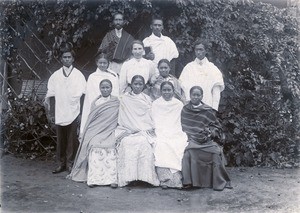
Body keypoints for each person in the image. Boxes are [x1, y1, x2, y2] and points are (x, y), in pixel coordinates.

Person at [68, 79, 120, 188]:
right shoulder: (96, 102)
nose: (105, 90)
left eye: (107, 87)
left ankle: (111, 179)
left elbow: (116, 118)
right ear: (99, 89)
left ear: (111, 89)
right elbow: (91, 120)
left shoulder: (116, 102)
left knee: (110, 145)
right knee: (93, 144)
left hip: (109, 130)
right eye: (103, 88)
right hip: (95, 131)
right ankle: (93, 179)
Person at [44, 44, 86, 174]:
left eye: (69, 57)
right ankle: (60, 163)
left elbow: (83, 96)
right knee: (61, 139)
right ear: (61, 59)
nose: (67, 59)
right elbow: (51, 95)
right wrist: (52, 113)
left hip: (74, 111)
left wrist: (80, 114)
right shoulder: (56, 76)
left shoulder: (78, 75)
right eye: (64, 57)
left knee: (72, 139)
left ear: (73, 59)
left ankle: (70, 163)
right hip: (60, 111)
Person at [181, 86, 232, 191]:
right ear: (189, 96)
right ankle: (191, 182)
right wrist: (190, 135)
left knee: (215, 152)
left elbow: (217, 127)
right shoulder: (185, 109)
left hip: (206, 140)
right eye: (193, 95)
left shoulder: (208, 110)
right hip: (190, 138)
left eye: (198, 95)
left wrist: (210, 132)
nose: (195, 97)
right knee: (189, 152)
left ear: (202, 96)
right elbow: (184, 126)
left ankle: (216, 181)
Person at [115, 75, 159, 187]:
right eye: (135, 84)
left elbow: (150, 118)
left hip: (143, 130)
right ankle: (128, 178)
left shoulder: (147, 99)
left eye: (140, 84)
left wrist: (142, 128)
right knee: (126, 143)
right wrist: (130, 129)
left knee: (144, 143)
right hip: (127, 130)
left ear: (143, 86)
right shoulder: (124, 98)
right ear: (131, 85)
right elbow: (123, 116)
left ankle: (144, 178)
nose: (138, 86)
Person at [152, 82, 187, 189]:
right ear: (161, 91)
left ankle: (175, 180)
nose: (167, 92)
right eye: (164, 90)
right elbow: (154, 120)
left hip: (175, 130)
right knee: (161, 144)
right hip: (161, 130)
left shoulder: (178, 104)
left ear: (173, 91)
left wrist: (173, 131)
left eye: (169, 90)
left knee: (178, 143)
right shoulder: (156, 103)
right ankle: (164, 179)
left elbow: (179, 121)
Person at [79, 53, 119, 135]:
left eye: (105, 63)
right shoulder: (92, 77)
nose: (102, 65)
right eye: (100, 63)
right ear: (97, 63)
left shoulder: (113, 75)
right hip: (96, 108)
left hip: (110, 107)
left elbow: (116, 93)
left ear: (108, 63)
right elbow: (90, 96)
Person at [179, 40, 224, 111]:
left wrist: (214, 110)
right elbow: (183, 89)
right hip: (190, 108)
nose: (198, 52)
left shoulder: (213, 69)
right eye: (196, 50)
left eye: (201, 49)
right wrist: (185, 106)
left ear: (206, 51)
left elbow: (216, 92)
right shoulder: (188, 68)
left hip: (207, 106)